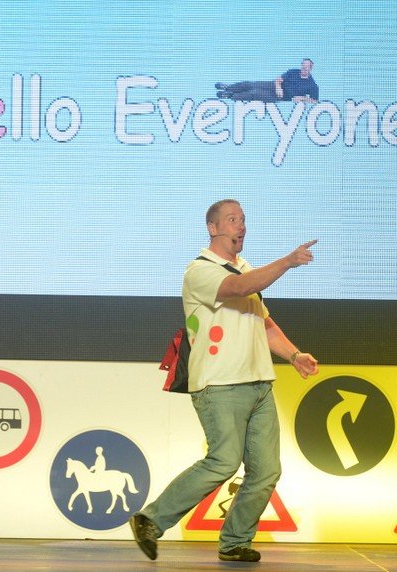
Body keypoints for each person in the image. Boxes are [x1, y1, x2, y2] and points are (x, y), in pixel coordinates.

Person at [129, 199, 319, 563]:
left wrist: (294, 355)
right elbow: (239, 288)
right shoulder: (200, 271)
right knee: (223, 461)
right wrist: (287, 261)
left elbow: (263, 323)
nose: (241, 226)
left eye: (243, 220)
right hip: (220, 384)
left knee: (266, 471)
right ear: (213, 228)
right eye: (232, 220)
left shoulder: (246, 269)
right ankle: (151, 519)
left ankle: (235, 541)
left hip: (259, 383)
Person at [215, 59, 319, 103]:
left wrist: (302, 98)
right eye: (303, 65)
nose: (303, 68)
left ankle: (230, 95)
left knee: (255, 93)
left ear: (311, 68)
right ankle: (228, 88)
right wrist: (278, 87)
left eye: (306, 67)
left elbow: (315, 101)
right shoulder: (293, 71)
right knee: (250, 84)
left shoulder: (312, 85)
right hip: (274, 86)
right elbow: (279, 79)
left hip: (280, 97)